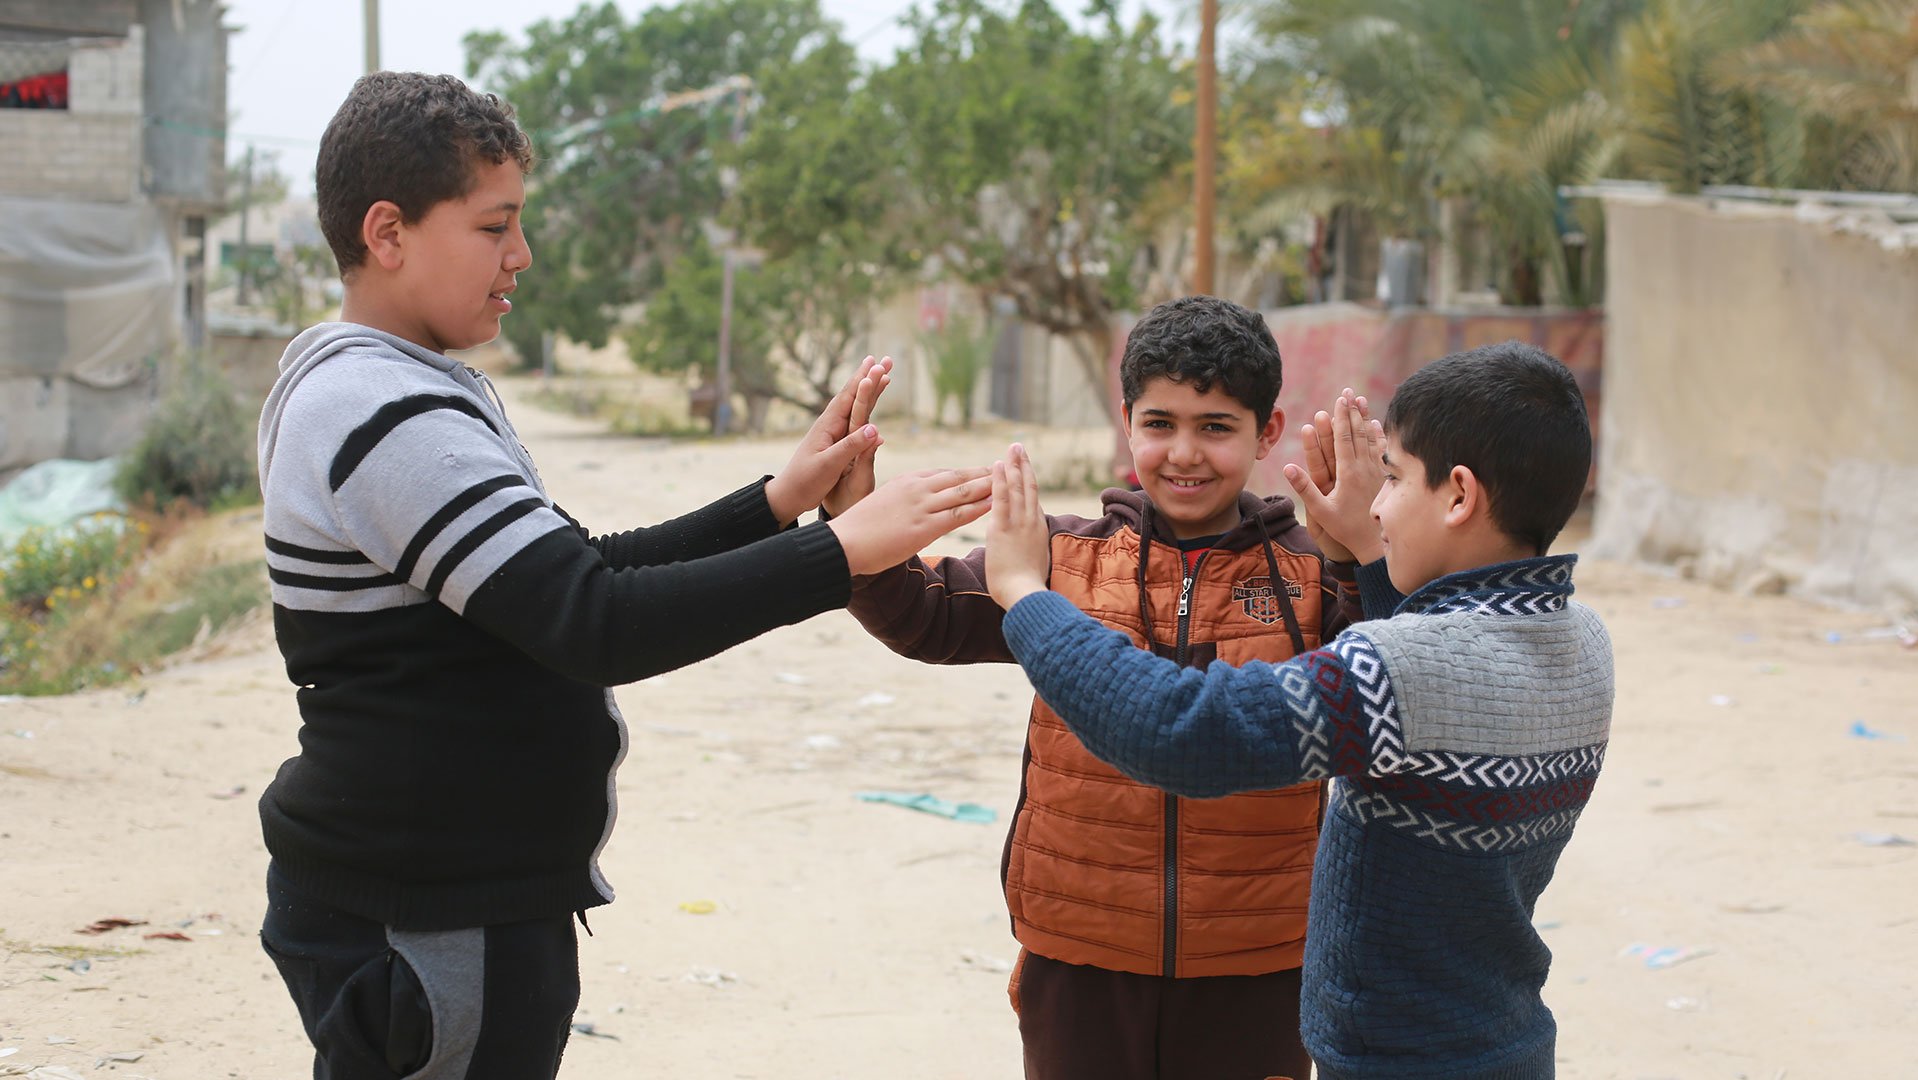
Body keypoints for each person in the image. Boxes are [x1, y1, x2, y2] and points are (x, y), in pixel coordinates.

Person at [254, 71, 990, 1078]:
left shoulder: (394, 384)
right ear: (387, 233)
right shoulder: (380, 411)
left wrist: (773, 503)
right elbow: (594, 621)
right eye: (492, 226)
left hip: (443, 895)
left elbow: (570, 571)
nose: (520, 256)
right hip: (429, 915)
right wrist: (845, 551)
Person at [982, 340, 1615, 1080]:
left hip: (1396, 1061)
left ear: (1459, 496)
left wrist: (1026, 591)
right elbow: (1434, 688)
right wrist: (1371, 562)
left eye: (1394, 478)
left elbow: (1176, 732)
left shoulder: (1403, 670)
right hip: (1502, 1043)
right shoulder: (1581, 640)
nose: (1375, 505)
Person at [838, 295, 1360, 1080]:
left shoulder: (1310, 576)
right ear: (1127, 422)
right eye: (1160, 424)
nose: (1184, 453)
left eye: (1216, 427)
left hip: (1258, 958)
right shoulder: (1063, 558)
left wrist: (1360, 554)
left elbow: (1396, 663)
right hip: (1078, 950)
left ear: (1268, 433)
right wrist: (853, 522)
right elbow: (927, 619)